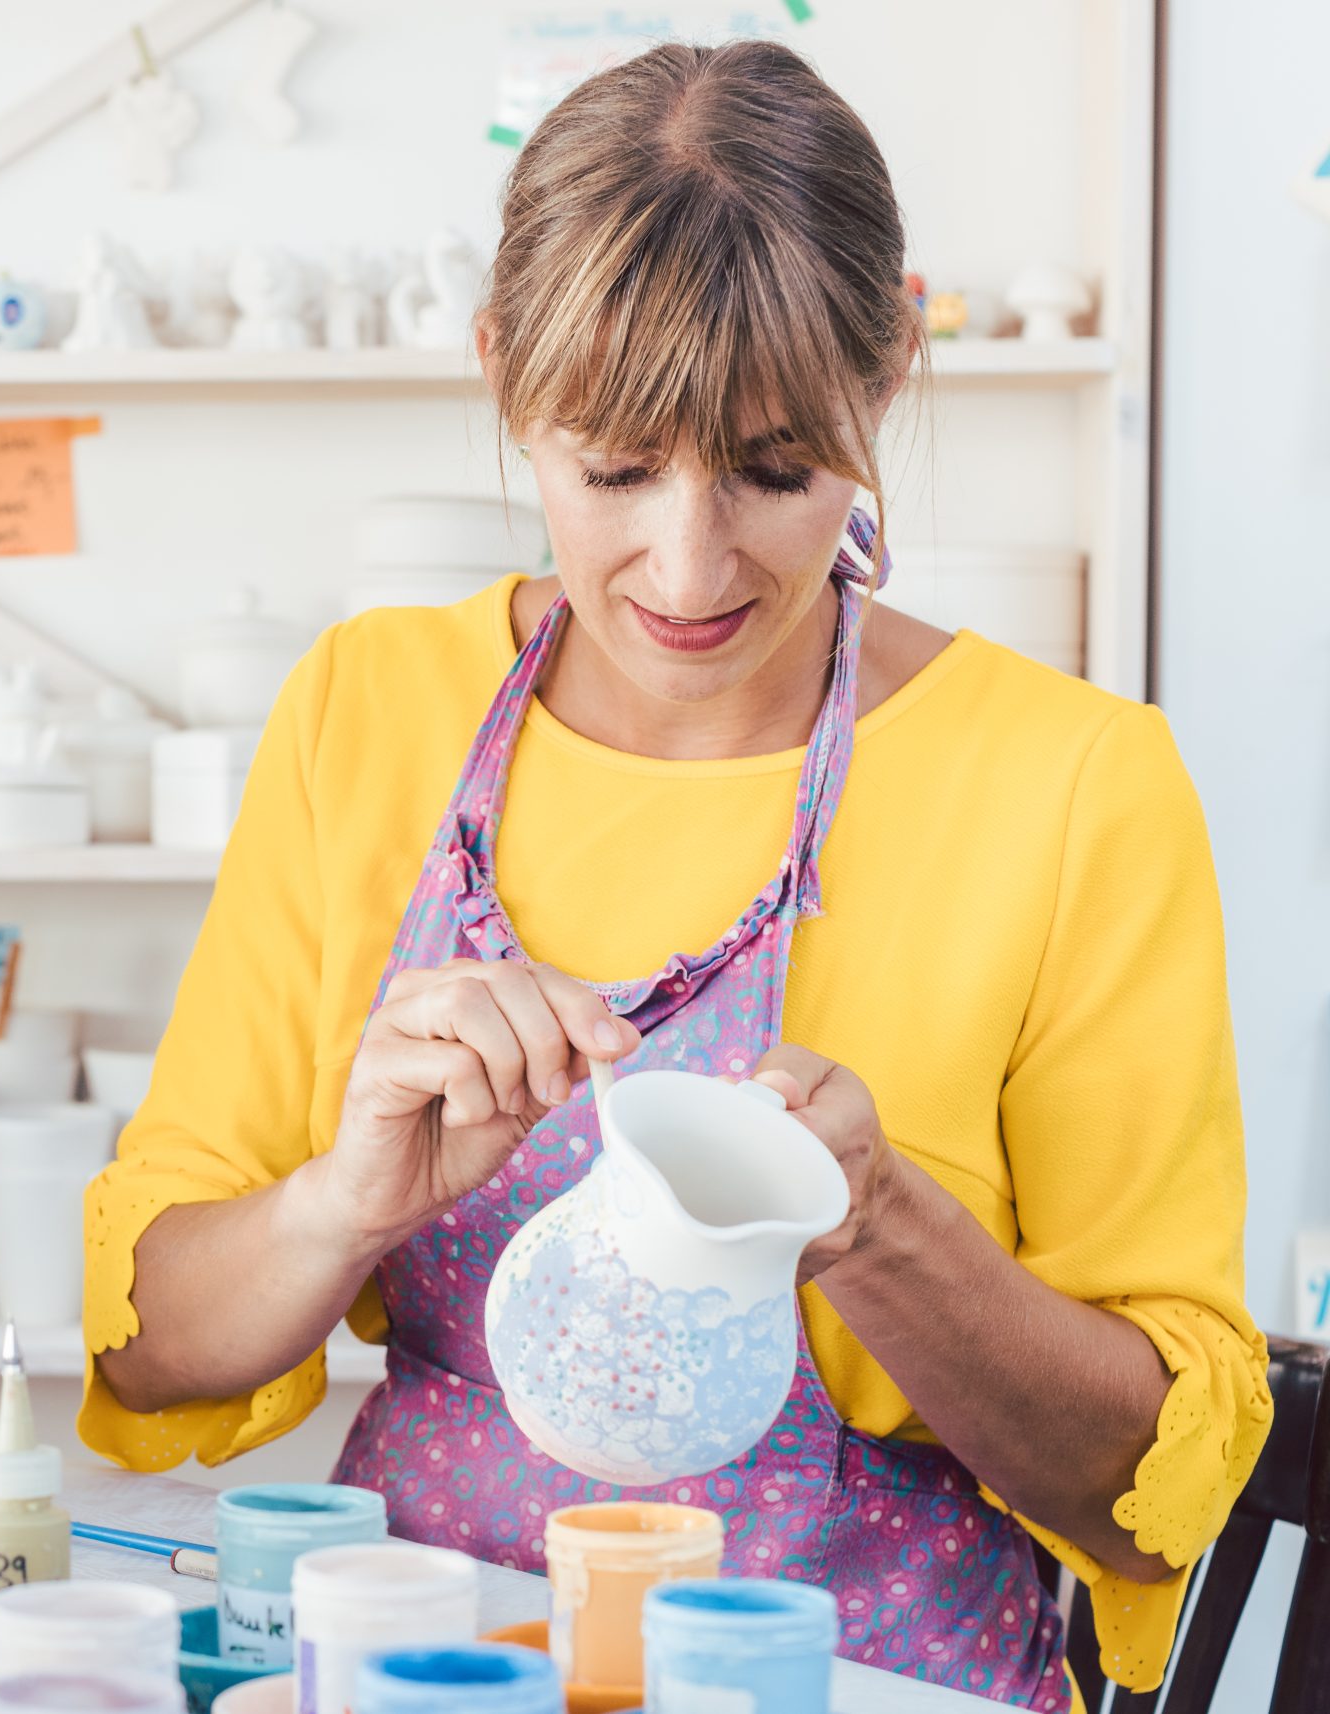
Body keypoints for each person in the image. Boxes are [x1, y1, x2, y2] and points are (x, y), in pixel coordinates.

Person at [80, 42, 1268, 1708]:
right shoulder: (370, 708)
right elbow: (151, 1343)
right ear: (504, 376)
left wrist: (884, 1231)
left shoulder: (1075, 783)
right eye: (617, 466)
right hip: (425, 1664)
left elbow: (1156, 1494)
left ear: (891, 366)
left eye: (777, 468)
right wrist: (347, 1197)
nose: (691, 566)